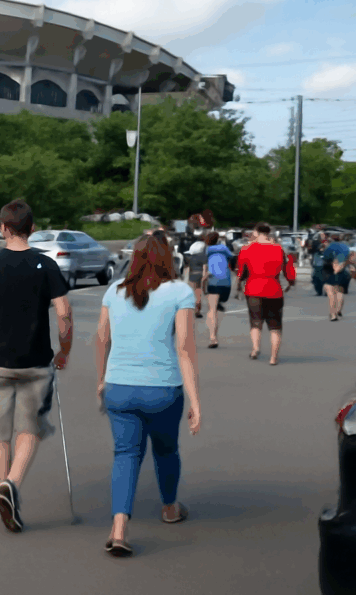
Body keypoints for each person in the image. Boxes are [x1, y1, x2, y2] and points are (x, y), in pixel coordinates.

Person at [0, 199, 73, 533]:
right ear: (32, 229)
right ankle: (12, 484)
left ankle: (2, 486)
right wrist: (63, 350)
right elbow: (64, 313)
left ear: (3, 228)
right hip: (35, 361)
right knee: (30, 428)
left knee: (0, 431)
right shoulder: (46, 266)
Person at [94, 232, 201, 557]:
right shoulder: (180, 291)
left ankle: (119, 528)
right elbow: (184, 347)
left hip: (119, 387)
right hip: (163, 389)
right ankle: (170, 508)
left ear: (135, 258)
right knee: (166, 451)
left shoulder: (114, 291)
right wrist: (195, 400)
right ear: (168, 258)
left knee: (125, 454)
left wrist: (101, 380)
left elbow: (101, 338)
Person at [236, 223, 296, 364]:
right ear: (269, 233)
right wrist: (290, 282)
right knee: (275, 325)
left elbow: (241, 270)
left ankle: (255, 349)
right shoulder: (278, 249)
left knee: (255, 321)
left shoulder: (247, 249)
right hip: (274, 288)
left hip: (253, 288)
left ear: (256, 232)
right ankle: (273, 357)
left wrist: (239, 283)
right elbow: (287, 269)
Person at [202, 232, 234, 348]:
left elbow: (204, 265)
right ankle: (219, 302)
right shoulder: (224, 248)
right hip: (226, 280)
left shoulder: (207, 250)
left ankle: (213, 338)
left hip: (213, 279)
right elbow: (231, 258)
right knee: (217, 306)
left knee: (212, 310)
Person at [323, 234, 352, 321]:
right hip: (343, 271)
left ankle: (333, 314)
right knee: (340, 291)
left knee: (331, 293)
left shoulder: (330, 247)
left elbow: (326, 258)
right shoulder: (346, 247)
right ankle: (338, 310)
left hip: (330, 271)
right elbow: (349, 259)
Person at [186, 237, 207, 318]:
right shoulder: (203, 257)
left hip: (192, 275)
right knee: (199, 293)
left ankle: (192, 309)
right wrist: (204, 277)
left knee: (192, 293)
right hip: (200, 274)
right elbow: (205, 268)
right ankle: (198, 311)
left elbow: (188, 269)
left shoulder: (190, 257)